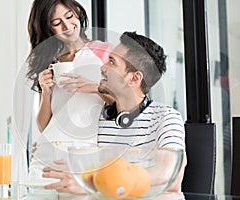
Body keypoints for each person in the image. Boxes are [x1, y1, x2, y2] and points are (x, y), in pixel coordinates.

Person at [42, 31, 187, 193]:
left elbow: (171, 175)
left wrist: (92, 182)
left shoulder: (165, 118)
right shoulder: (100, 117)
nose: (102, 67)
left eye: (111, 62)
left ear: (133, 79)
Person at [26, 0, 113, 184]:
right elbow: (44, 126)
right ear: (48, 28)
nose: (67, 27)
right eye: (57, 23)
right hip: (47, 154)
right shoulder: (50, 62)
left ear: (78, 12)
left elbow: (122, 102)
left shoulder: (104, 52)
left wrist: (94, 88)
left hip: (86, 155)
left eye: (69, 17)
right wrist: (46, 91)